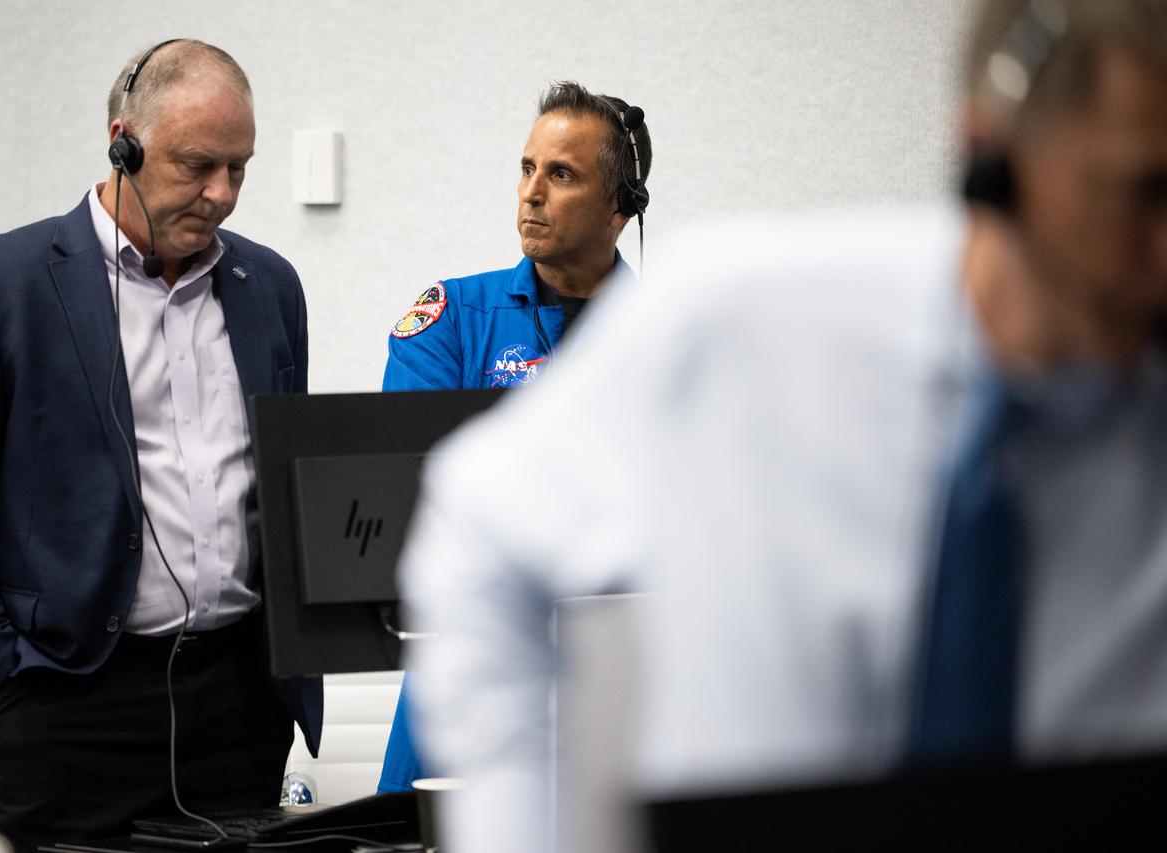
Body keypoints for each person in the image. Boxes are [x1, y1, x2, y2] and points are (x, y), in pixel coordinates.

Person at [397, 1, 1167, 851]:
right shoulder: (741, 328)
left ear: (622, 207)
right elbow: (469, 527)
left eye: (563, 174)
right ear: (993, 156)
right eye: (1144, 193)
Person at [0, 40, 321, 850]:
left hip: (236, 708)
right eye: (198, 165)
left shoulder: (271, 287)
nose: (222, 193)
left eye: (240, 167)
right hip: (64, 703)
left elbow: (281, 479)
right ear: (123, 142)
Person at [377, 81, 652, 794]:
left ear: (621, 207)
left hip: (625, 683)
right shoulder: (451, 317)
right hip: (473, 672)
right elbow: (417, 495)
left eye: (561, 175)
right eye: (527, 168)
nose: (531, 193)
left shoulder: (667, 335)